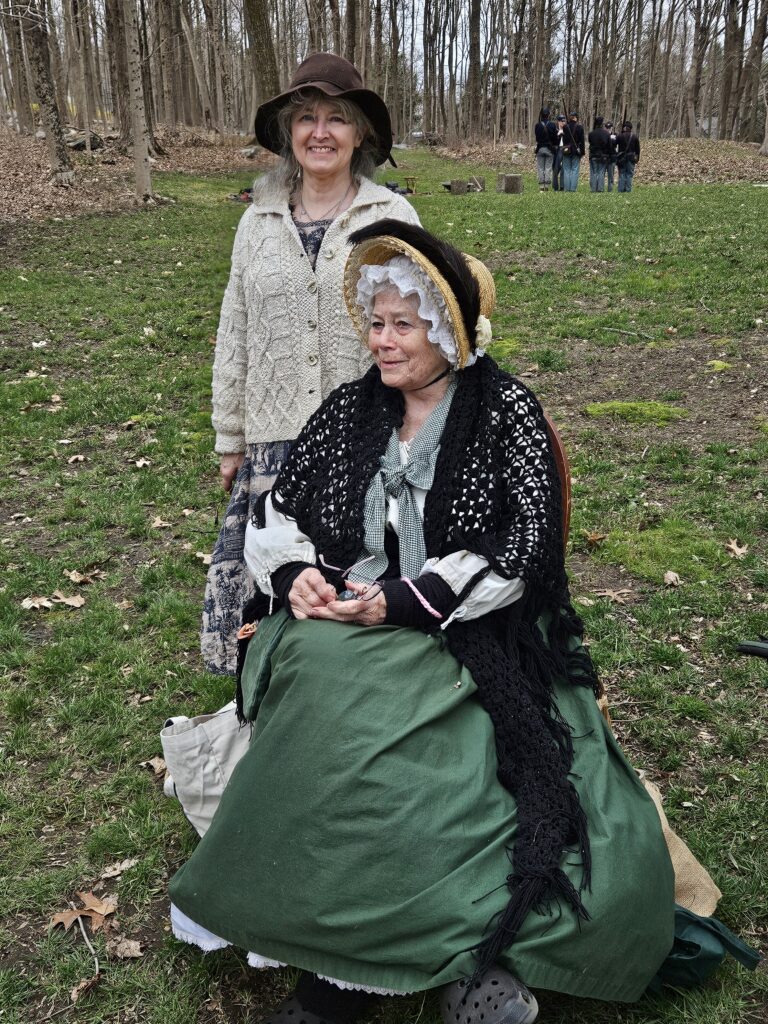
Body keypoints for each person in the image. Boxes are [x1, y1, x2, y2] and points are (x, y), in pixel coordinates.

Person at [166, 220, 760, 1024]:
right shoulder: (349, 412)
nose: (381, 341)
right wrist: (299, 575)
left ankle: (429, 964)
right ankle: (343, 967)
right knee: (329, 698)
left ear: (448, 330)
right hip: (344, 624)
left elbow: (523, 548)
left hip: (475, 628)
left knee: (447, 754)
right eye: (374, 323)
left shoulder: (505, 411)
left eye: (401, 325)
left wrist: (407, 601)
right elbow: (279, 513)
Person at [201, 53, 420, 676]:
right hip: (272, 440)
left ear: (361, 136)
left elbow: (422, 328)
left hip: (363, 437)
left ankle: (346, 711)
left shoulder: (390, 218)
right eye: (306, 118)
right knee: (272, 586)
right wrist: (230, 436)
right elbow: (235, 329)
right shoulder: (257, 222)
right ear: (287, 134)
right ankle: (263, 702)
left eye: (337, 119)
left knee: (344, 589)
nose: (320, 132)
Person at [534, 107, 557, 191]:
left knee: (540, 168)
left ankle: (541, 187)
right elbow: (555, 139)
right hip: (549, 149)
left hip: (540, 148)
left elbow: (537, 138)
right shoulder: (552, 125)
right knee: (548, 168)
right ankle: (546, 186)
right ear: (548, 115)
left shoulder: (537, 125)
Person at [561, 111, 585, 191]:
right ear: (575, 117)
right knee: (575, 170)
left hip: (566, 150)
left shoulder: (565, 127)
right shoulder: (580, 127)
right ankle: (573, 188)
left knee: (567, 170)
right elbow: (582, 141)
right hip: (575, 151)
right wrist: (582, 152)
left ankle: (567, 188)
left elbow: (564, 140)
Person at [588, 115, 611, 192]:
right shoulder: (606, 134)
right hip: (603, 156)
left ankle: (593, 189)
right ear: (602, 124)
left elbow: (590, 143)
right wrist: (608, 155)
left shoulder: (591, 133)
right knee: (601, 172)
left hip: (593, 155)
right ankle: (600, 188)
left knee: (594, 172)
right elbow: (609, 146)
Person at [617, 120, 641, 192]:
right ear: (631, 128)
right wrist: (637, 158)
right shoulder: (635, 137)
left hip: (621, 158)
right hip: (631, 157)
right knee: (629, 174)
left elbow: (614, 144)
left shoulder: (620, 136)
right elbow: (638, 149)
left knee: (622, 174)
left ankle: (621, 190)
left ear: (624, 127)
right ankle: (628, 190)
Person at [552, 114, 567, 191]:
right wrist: (558, 135)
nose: (563, 123)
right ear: (558, 121)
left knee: (564, 169)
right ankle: (555, 187)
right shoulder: (555, 130)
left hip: (565, 149)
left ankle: (562, 186)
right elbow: (553, 140)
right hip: (557, 150)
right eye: (561, 121)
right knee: (555, 168)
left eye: (564, 121)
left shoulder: (567, 130)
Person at [605, 121, 620, 191]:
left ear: (612, 128)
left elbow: (616, 145)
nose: (608, 129)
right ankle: (600, 188)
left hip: (612, 158)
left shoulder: (615, 135)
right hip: (604, 157)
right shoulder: (603, 135)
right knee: (602, 174)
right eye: (607, 128)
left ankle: (610, 189)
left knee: (611, 176)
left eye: (609, 128)